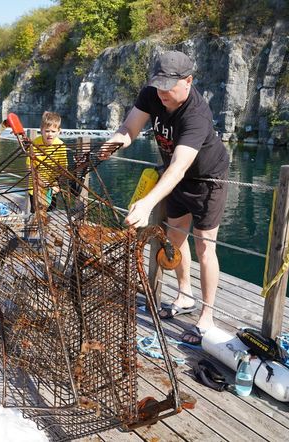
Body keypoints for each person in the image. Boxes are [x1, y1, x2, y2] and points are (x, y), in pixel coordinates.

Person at [103, 50, 230, 345]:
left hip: (207, 180)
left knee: (205, 247)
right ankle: (185, 294)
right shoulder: (153, 94)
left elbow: (179, 167)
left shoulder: (197, 115)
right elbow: (129, 128)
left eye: (168, 86)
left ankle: (207, 315)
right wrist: (112, 144)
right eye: (158, 85)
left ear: (188, 81)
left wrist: (148, 203)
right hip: (176, 178)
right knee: (175, 238)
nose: (162, 93)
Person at [26, 111, 68, 213]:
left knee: (50, 213)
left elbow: (63, 168)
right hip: (35, 186)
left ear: (59, 131)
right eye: (47, 131)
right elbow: (29, 166)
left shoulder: (61, 146)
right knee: (36, 213)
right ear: (41, 130)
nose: (50, 134)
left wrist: (57, 185)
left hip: (52, 187)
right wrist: (39, 180)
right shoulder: (35, 144)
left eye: (53, 131)